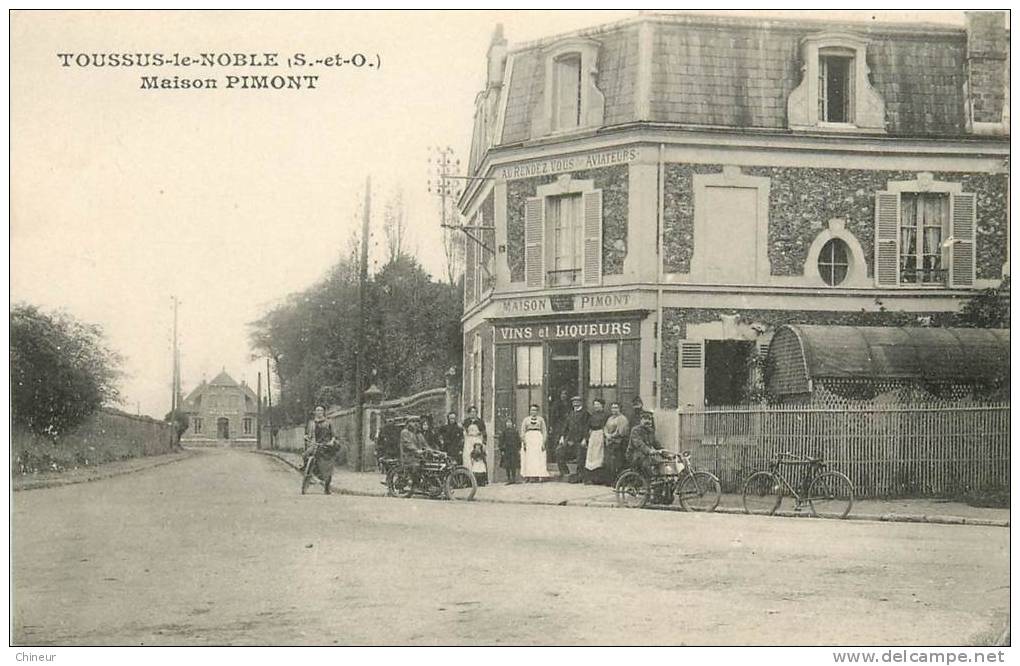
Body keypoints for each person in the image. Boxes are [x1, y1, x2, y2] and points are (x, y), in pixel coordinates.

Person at [303, 405, 339, 495]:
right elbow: (309, 435)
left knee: (328, 467)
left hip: (326, 446)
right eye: (317, 410)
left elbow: (334, 435)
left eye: (321, 410)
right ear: (315, 412)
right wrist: (307, 437)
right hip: (316, 445)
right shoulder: (312, 423)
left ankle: (327, 488)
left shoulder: (329, 422)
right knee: (305, 455)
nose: (319, 412)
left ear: (323, 412)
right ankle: (308, 474)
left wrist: (331, 441)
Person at [627, 411, 670, 478]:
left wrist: (665, 452)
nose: (648, 421)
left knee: (661, 463)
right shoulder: (635, 430)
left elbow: (656, 444)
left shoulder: (650, 431)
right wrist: (649, 451)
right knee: (647, 464)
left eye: (649, 419)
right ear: (641, 420)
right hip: (635, 455)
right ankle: (648, 484)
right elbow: (639, 444)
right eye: (645, 418)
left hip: (646, 455)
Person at [558, 395, 590, 483]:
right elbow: (565, 426)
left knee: (580, 456)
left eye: (577, 402)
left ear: (581, 403)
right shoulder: (570, 414)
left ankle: (579, 475)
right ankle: (565, 472)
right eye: (574, 402)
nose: (575, 404)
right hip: (569, 438)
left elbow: (587, 427)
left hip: (579, 439)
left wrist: (585, 439)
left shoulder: (585, 414)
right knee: (559, 451)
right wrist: (562, 437)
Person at [519, 404, 550, 483]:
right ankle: (529, 476)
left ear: (537, 411)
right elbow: (522, 431)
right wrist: (524, 441)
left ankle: (538, 475)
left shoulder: (541, 420)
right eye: (532, 410)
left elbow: (544, 431)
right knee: (529, 458)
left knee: (538, 457)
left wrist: (543, 442)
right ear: (529, 411)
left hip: (538, 440)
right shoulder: (526, 420)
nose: (533, 412)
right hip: (529, 440)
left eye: (535, 410)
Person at [603, 401, 630, 485]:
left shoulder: (622, 419)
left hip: (618, 443)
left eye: (616, 408)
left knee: (617, 463)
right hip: (609, 442)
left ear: (619, 409)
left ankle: (618, 481)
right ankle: (609, 480)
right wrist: (607, 434)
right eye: (612, 408)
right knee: (609, 462)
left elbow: (621, 431)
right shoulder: (610, 418)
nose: (614, 409)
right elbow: (605, 427)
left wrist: (612, 436)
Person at [584, 398, 608, 485]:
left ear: (602, 406)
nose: (596, 406)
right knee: (591, 455)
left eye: (598, 405)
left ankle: (598, 479)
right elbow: (588, 426)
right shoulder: (592, 415)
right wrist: (586, 438)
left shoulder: (605, 415)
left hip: (600, 434)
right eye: (595, 405)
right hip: (593, 435)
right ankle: (590, 478)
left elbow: (606, 427)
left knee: (599, 455)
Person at [548, 388, 572, 463]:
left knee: (566, 442)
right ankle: (556, 460)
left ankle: (565, 459)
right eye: (562, 394)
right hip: (558, 425)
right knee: (557, 442)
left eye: (565, 394)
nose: (563, 396)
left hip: (567, 425)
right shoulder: (556, 404)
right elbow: (553, 416)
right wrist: (551, 426)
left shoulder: (569, 404)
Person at [498, 416, 522, 484]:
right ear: (505, 424)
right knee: (507, 465)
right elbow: (501, 441)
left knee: (513, 464)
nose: (509, 424)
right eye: (507, 422)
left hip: (514, 450)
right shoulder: (503, 432)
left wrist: (518, 448)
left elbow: (518, 440)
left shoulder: (515, 431)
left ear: (512, 423)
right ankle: (508, 478)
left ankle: (514, 478)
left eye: (510, 422)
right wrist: (502, 450)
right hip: (506, 450)